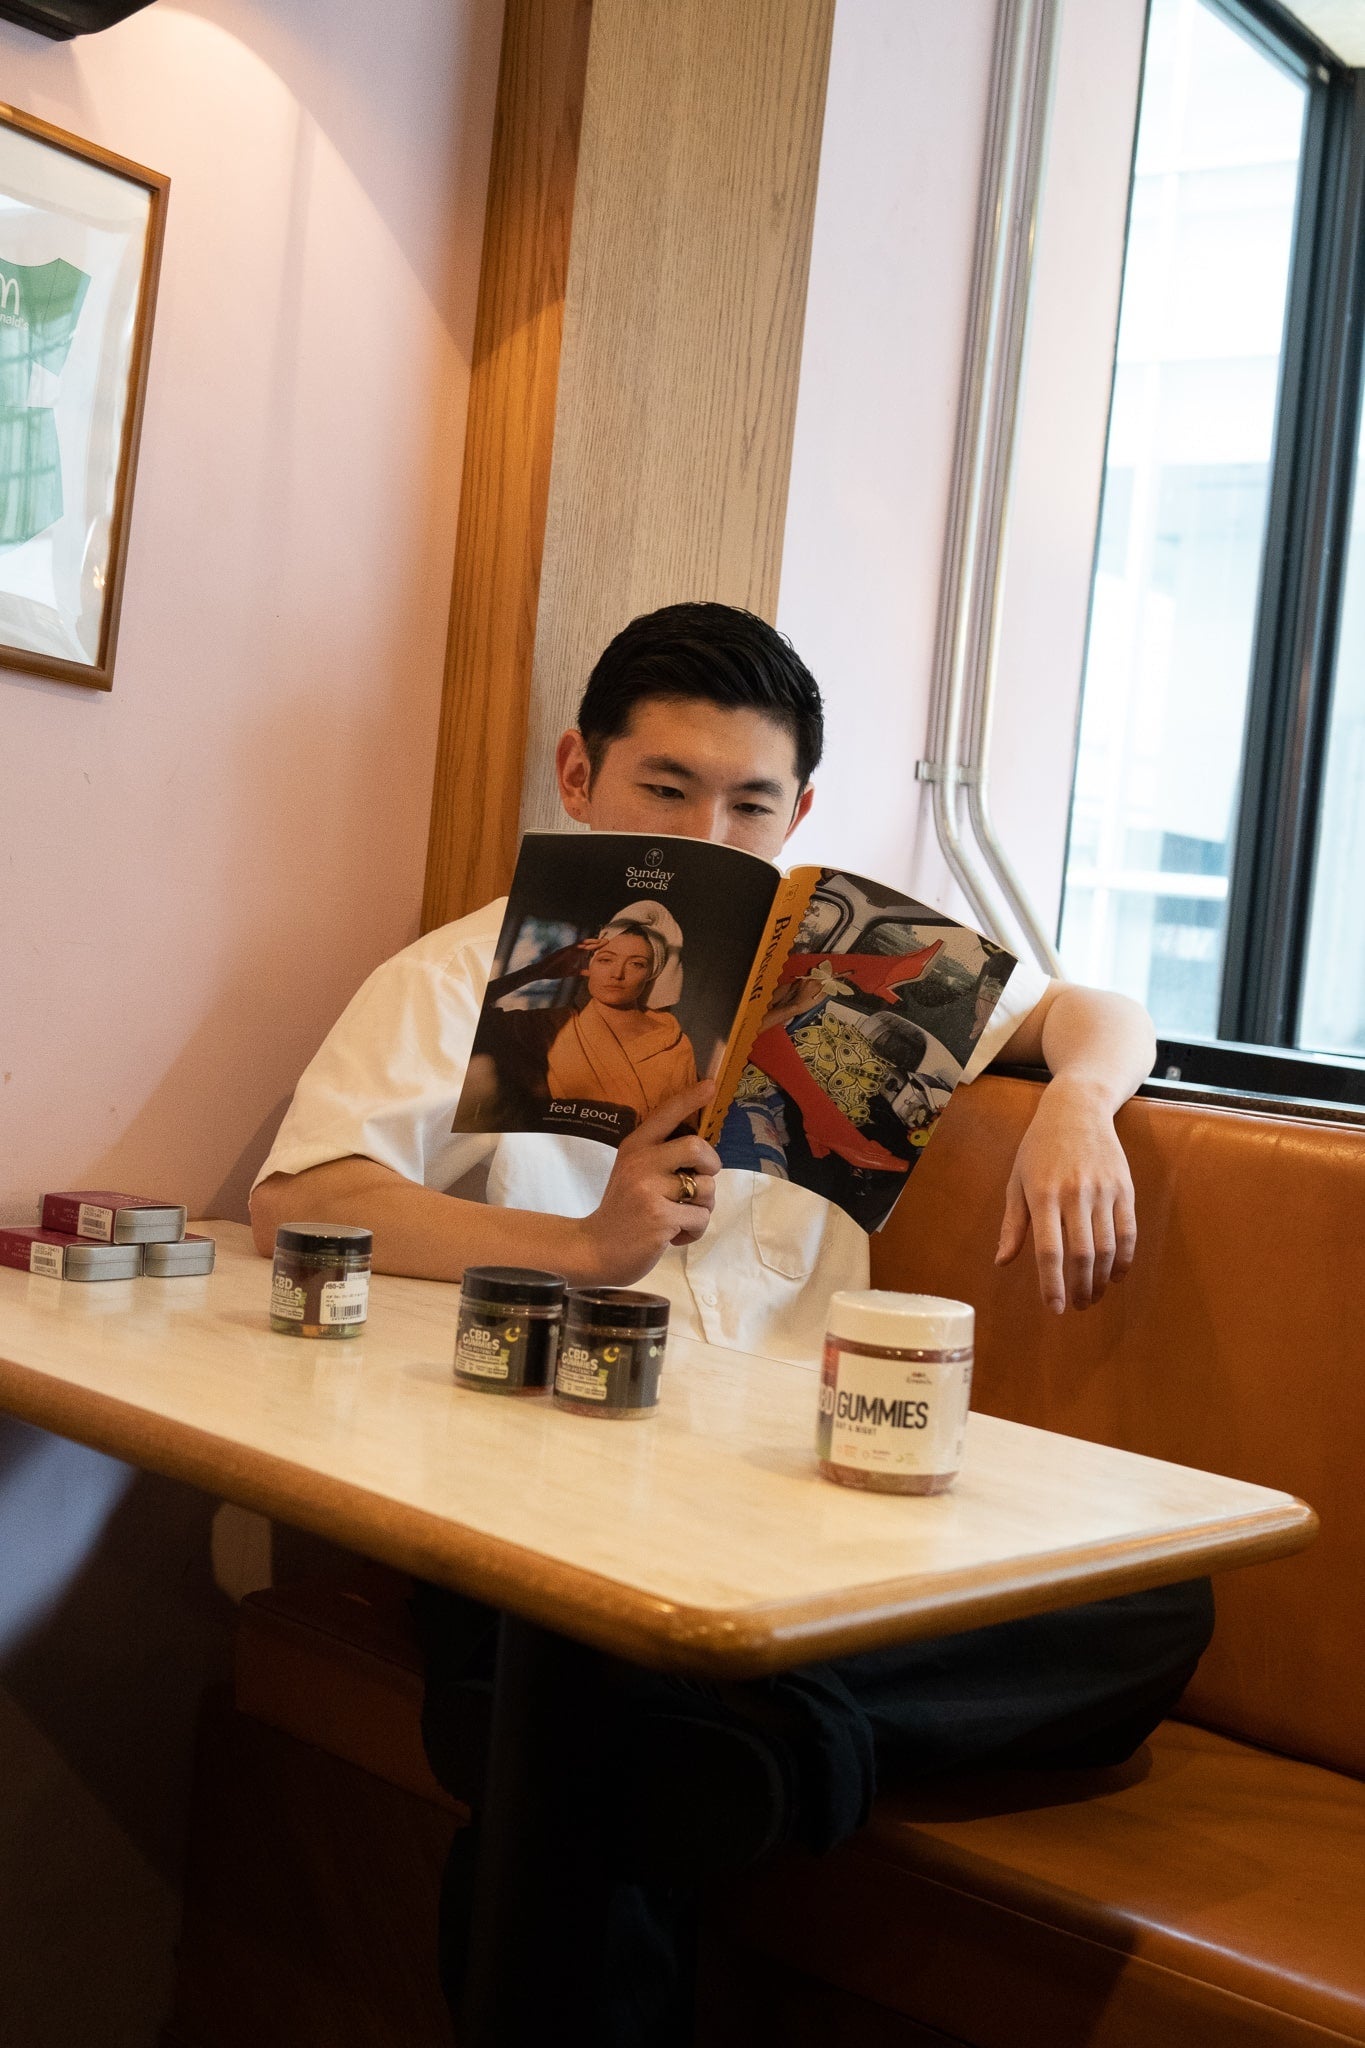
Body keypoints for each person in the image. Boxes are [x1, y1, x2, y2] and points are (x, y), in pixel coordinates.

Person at [250, 602, 1212, 2045]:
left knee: (1159, 1595)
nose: (710, 831)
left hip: (803, 1519)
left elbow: (1097, 1012)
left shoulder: (850, 978)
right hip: (551, 1506)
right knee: (579, 1695)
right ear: (579, 775)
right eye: (667, 788)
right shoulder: (465, 977)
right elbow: (301, 1201)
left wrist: (1079, 1102)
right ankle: (708, 1740)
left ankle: (734, 1740)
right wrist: (585, 1245)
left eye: (750, 803)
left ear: (799, 814)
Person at [460, 900, 696, 1135]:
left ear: (651, 974)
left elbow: (683, 1129)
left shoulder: (674, 1044)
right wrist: (538, 970)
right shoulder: (551, 1026)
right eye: (606, 959)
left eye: (636, 964)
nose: (617, 973)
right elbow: (465, 1014)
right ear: (590, 964)